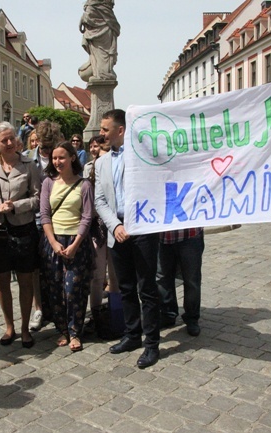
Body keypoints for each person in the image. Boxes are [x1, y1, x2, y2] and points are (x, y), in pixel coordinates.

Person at [94, 109, 161, 369]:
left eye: (105, 129)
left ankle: (152, 344)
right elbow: (100, 200)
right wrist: (115, 226)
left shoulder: (143, 156)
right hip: (117, 232)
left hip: (143, 230)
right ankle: (132, 335)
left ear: (120, 130)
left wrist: (136, 223)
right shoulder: (101, 162)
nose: (101, 133)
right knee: (125, 287)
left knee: (148, 288)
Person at [0, 121, 40, 348]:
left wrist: (17, 205)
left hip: (23, 227)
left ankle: (25, 329)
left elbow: (37, 197)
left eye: (12, 138)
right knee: (2, 280)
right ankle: (9, 327)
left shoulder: (28, 164)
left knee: (25, 279)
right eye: (4, 140)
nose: (9, 142)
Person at [40, 141, 94, 351]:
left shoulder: (84, 184)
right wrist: (53, 242)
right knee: (55, 290)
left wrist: (74, 244)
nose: (57, 162)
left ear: (72, 157)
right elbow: (44, 215)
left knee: (74, 290)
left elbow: (87, 217)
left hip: (76, 242)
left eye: (61, 157)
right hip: (53, 242)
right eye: (54, 158)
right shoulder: (48, 183)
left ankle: (75, 332)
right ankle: (62, 329)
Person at [25, 120, 63, 332]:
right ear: (36, 140)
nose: (46, 151)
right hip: (33, 219)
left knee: (55, 268)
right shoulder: (27, 159)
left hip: (57, 220)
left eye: (50, 146)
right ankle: (38, 308)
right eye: (43, 146)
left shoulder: (60, 157)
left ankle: (57, 308)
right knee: (34, 269)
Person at [83, 135, 118, 337]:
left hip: (114, 223)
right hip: (97, 225)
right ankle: (95, 312)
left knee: (115, 273)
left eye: (100, 146)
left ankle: (116, 311)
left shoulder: (116, 163)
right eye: (94, 147)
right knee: (97, 273)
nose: (97, 149)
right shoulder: (89, 168)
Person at [157, 227, 205, 337]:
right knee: (162, 279)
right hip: (161, 236)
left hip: (190, 235)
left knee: (192, 280)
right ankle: (167, 314)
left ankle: (192, 317)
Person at [78, 0, 120, 82]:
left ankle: (102, 72)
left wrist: (84, 17)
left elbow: (88, 17)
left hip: (106, 30)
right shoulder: (95, 8)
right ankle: (104, 71)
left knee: (84, 72)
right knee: (85, 71)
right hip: (107, 26)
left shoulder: (91, 8)